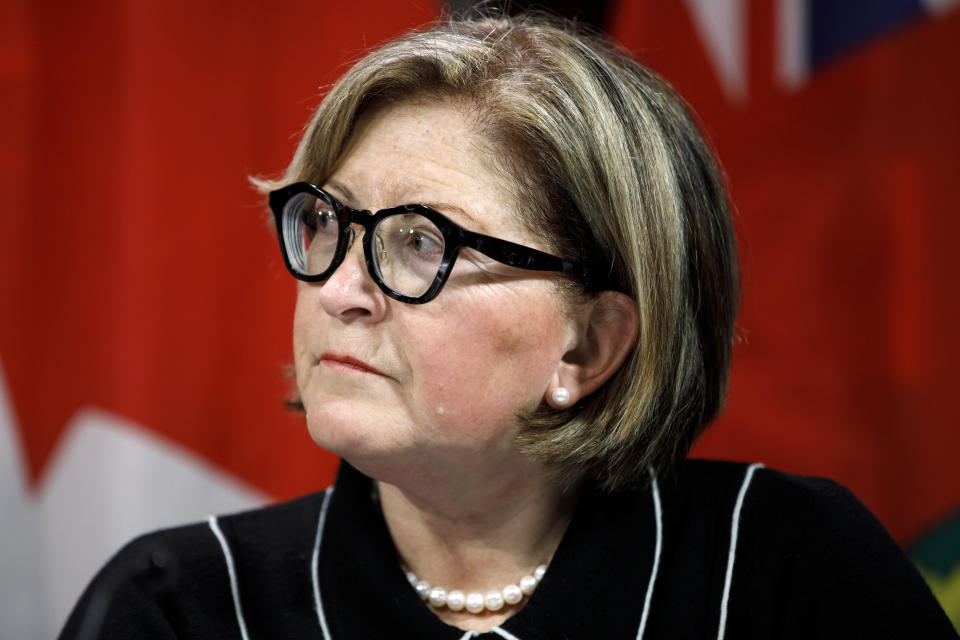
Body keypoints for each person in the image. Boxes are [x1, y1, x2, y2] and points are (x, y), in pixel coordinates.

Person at [59, 12, 956, 640]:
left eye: (420, 242)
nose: (339, 289)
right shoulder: (177, 605)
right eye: (327, 223)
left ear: (589, 346)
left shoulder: (788, 569)